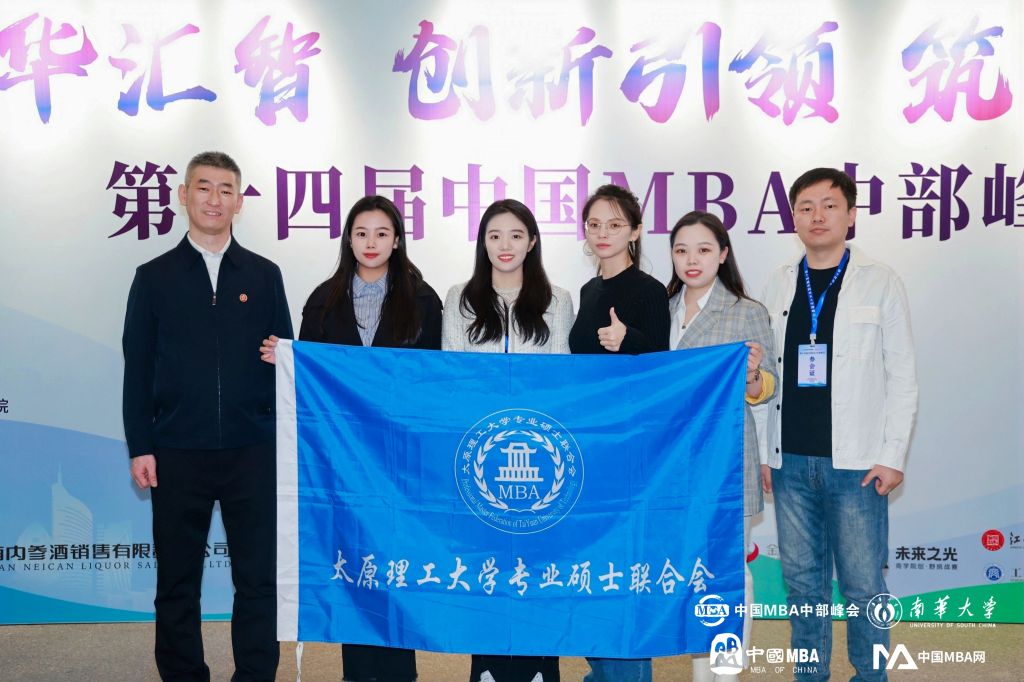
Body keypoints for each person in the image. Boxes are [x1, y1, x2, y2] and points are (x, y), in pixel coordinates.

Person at [122, 151, 291, 681]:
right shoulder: (153, 277)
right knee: (176, 581)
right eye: (203, 187)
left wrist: (283, 357)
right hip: (177, 450)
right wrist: (140, 445)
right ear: (183, 196)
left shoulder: (264, 275)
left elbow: (286, 359)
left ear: (239, 202)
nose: (214, 199)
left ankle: (255, 675)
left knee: (258, 581)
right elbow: (137, 368)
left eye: (225, 190)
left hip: (252, 449)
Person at [260, 195, 441, 682]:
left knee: (396, 569)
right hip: (342, 461)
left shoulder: (424, 300)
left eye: (382, 233)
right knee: (355, 567)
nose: (371, 243)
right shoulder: (323, 300)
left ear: (397, 240)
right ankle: (358, 674)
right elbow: (311, 380)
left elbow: (433, 381)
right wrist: (287, 358)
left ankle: (400, 674)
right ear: (348, 239)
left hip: (400, 463)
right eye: (361, 233)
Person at [757, 168, 917, 681]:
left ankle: (871, 675)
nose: (817, 216)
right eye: (805, 207)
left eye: (829, 205)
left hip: (858, 464)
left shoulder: (880, 280)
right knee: (803, 586)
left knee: (864, 586)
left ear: (850, 215)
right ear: (794, 218)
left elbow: (903, 376)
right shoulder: (779, 282)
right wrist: (762, 452)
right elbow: (762, 377)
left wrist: (892, 455)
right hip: (789, 460)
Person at [442, 198, 573, 682]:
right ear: (482, 242)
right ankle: (487, 668)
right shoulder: (459, 298)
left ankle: (540, 668)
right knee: (487, 569)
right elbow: (453, 375)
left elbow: (560, 379)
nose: (505, 245)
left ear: (532, 242)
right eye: (494, 235)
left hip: (540, 459)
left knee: (537, 568)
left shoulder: (558, 300)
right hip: (479, 455)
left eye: (516, 235)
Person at [665, 211, 777, 682]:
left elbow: (769, 388)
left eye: (704, 249)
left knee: (728, 571)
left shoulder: (746, 311)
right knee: (692, 573)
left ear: (723, 254)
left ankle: (726, 673)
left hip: (726, 460)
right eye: (681, 250)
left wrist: (751, 377)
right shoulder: (661, 309)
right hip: (671, 463)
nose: (691, 260)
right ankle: (701, 674)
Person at [568, 184, 669, 682]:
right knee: (590, 570)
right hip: (586, 447)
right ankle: (601, 673)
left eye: (614, 224)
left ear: (634, 230)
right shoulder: (588, 291)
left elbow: (663, 368)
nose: (602, 233)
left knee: (624, 574)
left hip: (629, 450)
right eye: (594, 224)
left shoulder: (650, 290)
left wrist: (629, 340)